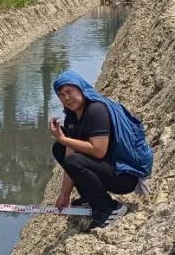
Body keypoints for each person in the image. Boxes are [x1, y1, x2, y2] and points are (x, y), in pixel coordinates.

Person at [49, 68, 153, 229]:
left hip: (124, 177)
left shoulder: (95, 110)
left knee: (73, 158)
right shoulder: (72, 116)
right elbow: (69, 151)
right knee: (60, 148)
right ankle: (90, 197)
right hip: (107, 167)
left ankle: (109, 208)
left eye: (69, 91)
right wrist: (64, 194)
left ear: (81, 88)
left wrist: (63, 137)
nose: (66, 98)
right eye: (61, 95)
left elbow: (99, 150)